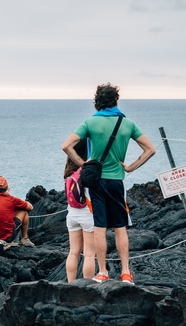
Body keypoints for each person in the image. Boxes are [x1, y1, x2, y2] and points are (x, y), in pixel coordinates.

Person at [62, 83, 156, 285]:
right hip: (116, 182)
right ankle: (125, 273)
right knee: (120, 227)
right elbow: (150, 150)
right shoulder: (128, 123)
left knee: (99, 226)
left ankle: (103, 271)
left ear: (97, 101)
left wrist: (83, 164)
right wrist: (131, 167)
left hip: (95, 182)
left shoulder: (89, 123)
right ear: (116, 100)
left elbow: (66, 146)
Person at [63, 142, 97, 282]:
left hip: (71, 215)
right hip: (87, 214)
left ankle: (71, 283)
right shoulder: (87, 170)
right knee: (89, 254)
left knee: (73, 252)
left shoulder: (69, 172)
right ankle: (87, 285)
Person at [0, 176, 34, 245]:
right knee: (24, 212)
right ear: (6, 188)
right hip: (6, 237)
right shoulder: (11, 200)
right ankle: (24, 238)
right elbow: (30, 207)